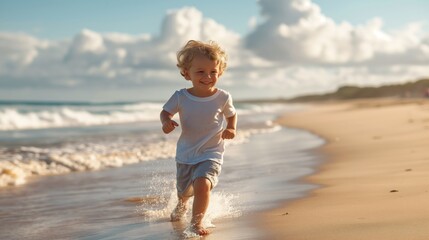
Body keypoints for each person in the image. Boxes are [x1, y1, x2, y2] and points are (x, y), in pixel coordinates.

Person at [160, 40, 237, 236]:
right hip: (186, 154)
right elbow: (165, 112)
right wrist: (166, 122)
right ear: (187, 73)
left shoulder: (223, 97)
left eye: (213, 71)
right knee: (184, 191)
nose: (208, 76)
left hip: (211, 152)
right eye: (200, 71)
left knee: (203, 184)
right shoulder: (180, 97)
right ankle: (182, 204)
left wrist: (232, 128)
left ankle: (196, 223)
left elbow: (231, 114)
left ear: (220, 72)